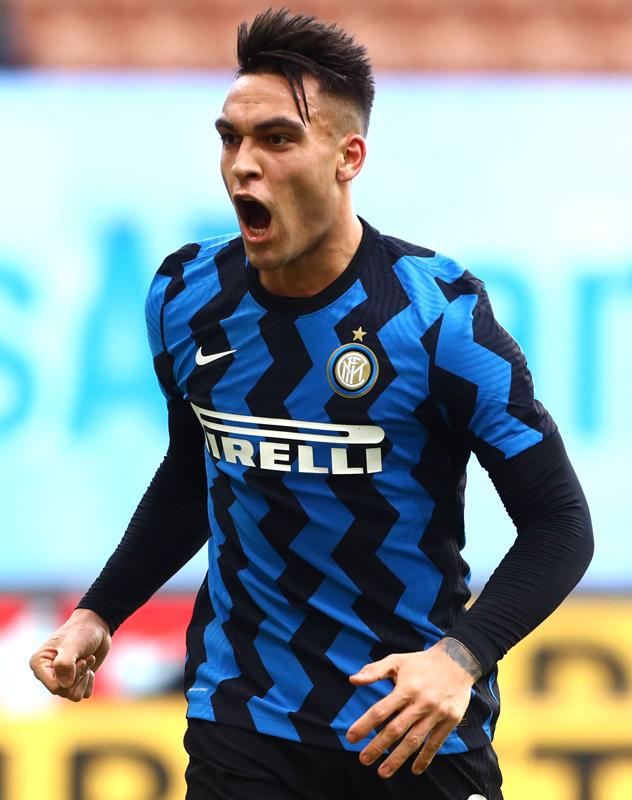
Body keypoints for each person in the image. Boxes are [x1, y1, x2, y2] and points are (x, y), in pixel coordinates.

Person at [30, 9, 593, 800]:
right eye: (230, 139)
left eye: (277, 139)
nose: (243, 166)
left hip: (406, 722)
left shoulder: (438, 317)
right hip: (245, 716)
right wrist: (100, 612)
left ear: (347, 157)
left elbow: (560, 524)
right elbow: (196, 472)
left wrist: (460, 658)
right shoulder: (186, 297)